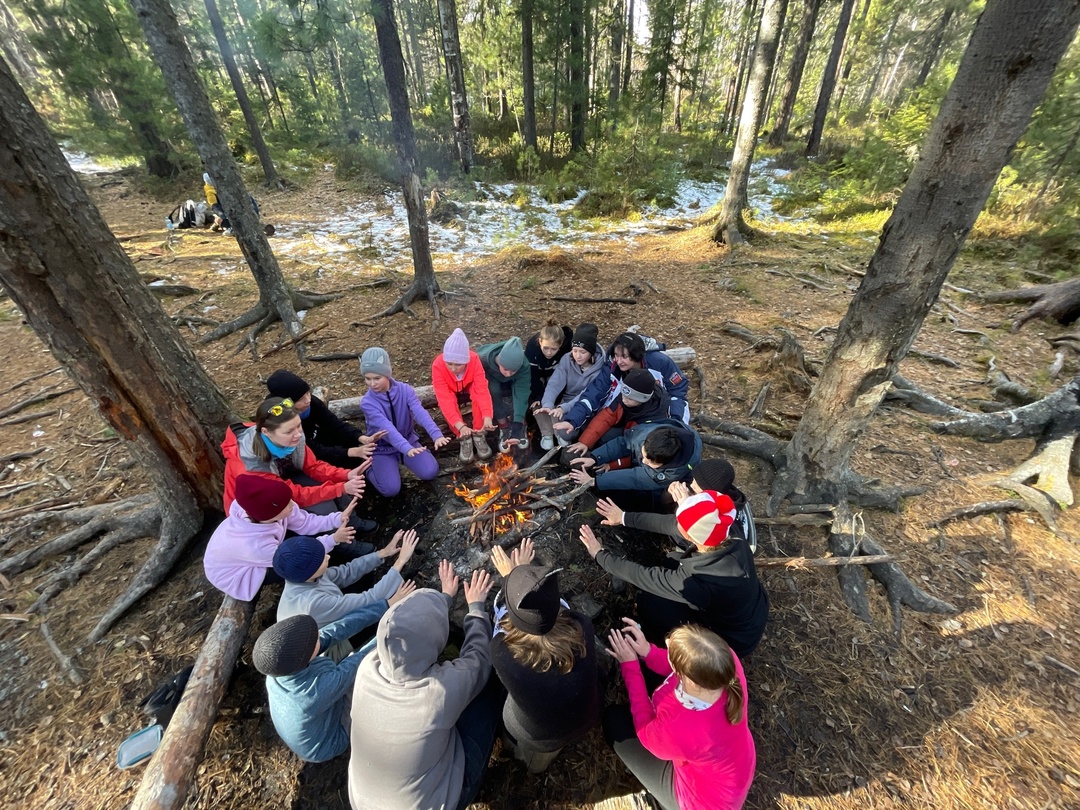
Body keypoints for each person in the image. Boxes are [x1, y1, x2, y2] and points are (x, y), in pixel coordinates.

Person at [348, 563, 499, 810]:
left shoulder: (367, 667)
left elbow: (407, 632)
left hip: (363, 801)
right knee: (488, 687)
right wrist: (475, 609)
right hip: (433, 802)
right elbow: (479, 660)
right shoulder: (437, 693)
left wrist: (445, 598)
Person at [579, 490, 768, 657]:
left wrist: (600, 555)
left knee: (650, 602)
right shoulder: (725, 528)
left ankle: (658, 640)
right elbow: (670, 524)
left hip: (732, 639)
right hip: (748, 609)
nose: (675, 525)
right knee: (672, 558)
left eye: (681, 527)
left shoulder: (700, 583)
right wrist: (623, 517)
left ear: (691, 537)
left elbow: (646, 577)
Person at [604, 621, 756, 809]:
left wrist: (630, 666)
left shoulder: (682, 727)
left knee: (614, 722)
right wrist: (647, 652)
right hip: (733, 768)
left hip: (700, 801)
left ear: (690, 681)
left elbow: (645, 731)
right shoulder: (725, 662)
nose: (666, 643)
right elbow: (688, 665)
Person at [489, 540, 602, 773]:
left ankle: (530, 765)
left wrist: (513, 580)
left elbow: (501, 620)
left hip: (537, 735)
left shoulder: (502, 653)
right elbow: (561, 608)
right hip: (589, 714)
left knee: (527, 749)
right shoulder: (582, 625)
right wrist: (526, 582)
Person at [253, 603, 392, 763]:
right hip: (330, 741)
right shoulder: (312, 694)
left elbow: (335, 630)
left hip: (316, 704)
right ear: (304, 656)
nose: (319, 634)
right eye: (315, 638)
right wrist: (391, 626)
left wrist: (385, 604)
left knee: (337, 647)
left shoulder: (280, 666)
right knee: (366, 673)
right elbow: (359, 660)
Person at [221, 396, 377, 533]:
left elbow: (313, 466)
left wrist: (344, 475)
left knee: (333, 486)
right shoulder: (250, 467)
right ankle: (340, 543)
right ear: (266, 432)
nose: (298, 435)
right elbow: (293, 494)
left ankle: (351, 521)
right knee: (324, 508)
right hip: (259, 511)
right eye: (289, 431)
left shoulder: (288, 437)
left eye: (299, 426)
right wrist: (340, 488)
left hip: (283, 481)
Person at [202, 474, 360, 601]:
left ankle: (338, 564)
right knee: (302, 565)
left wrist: (337, 519)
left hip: (266, 543)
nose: (293, 504)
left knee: (307, 546)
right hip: (241, 573)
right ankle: (326, 593)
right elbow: (296, 559)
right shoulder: (255, 546)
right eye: (287, 504)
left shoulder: (272, 509)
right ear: (270, 515)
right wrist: (333, 539)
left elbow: (305, 522)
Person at [554, 332, 690, 444]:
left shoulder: (659, 362)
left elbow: (677, 392)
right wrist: (572, 420)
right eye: (617, 356)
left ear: (636, 355)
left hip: (654, 414)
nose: (619, 361)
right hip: (622, 411)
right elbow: (594, 393)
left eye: (624, 357)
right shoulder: (612, 367)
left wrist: (675, 424)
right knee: (594, 438)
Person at [597, 459, 757, 553]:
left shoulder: (716, 518)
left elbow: (675, 526)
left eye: (696, 485)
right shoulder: (713, 494)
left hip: (699, 549)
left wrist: (684, 505)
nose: (691, 483)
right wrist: (670, 494)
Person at [359, 347, 450, 497]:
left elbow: (420, 413)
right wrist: (406, 449)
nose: (372, 383)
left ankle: (405, 458)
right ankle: (370, 469)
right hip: (383, 449)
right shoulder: (368, 403)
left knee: (430, 472)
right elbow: (387, 428)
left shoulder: (405, 390)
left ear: (387, 374)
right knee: (390, 490)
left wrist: (436, 435)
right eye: (368, 379)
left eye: (377, 378)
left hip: (409, 441)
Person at [569, 422, 702, 511]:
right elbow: (623, 443)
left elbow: (637, 477)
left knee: (653, 499)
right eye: (643, 455)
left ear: (664, 464)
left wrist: (595, 481)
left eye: (650, 462)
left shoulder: (675, 470)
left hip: (670, 482)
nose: (644, 462)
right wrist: (595, 458)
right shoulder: (644, 434)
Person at [266, 369, 380, 470]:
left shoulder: (311, 404)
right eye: (301, 399)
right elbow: (311, 450)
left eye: (307, 393)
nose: (308, 400)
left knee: (350, 440)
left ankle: (352, 472)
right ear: (288, 402)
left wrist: (360, 437)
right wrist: (351, 452)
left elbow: (333, 423)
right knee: (342, 455)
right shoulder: (280, 419)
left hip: (313, 436)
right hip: (298, 453)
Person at [566, 367, 671, 455]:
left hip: (639, 446)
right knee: (603, 436)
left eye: (629, 399)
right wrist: (585, 442)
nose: (624, 400)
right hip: (625, 428)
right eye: (623, 395)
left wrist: (611, 465)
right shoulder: (626, 395)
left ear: (643, 399)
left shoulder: (655, 416)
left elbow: (634, 445)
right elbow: (606, 417)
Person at [534, 323, 606, 450]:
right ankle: (548, 434)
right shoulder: (567, 359)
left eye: (582, 352)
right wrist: (548, 404)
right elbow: (555, 383)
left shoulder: (600, 370)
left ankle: (561, 434)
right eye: (575, 350)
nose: (577, 356)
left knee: (566, 433)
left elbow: (585, 395)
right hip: (565, 400)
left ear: (591, 352)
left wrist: (563, 408)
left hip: (583, 405)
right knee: (540, 405)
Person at [432, 328, 495, 464]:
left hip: (468, 383)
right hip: (449, 387)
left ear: (466, 361)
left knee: (478, 395)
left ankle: (479, 433)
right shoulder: (438, 364)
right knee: (448, 400)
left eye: (458, 365)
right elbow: (444, 400)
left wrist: (487, 417)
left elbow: (482, 389)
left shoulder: (474, 359)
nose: (453, 369)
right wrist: (461, 426)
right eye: (450, 364)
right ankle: (463, 437)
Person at [476, 336, 530, 453]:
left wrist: (516, 428)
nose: (509, 374)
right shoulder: (483, 359)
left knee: (518, 392)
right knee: (494, 391)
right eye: (505, 369)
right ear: (499, 360)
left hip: (512, 378)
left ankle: (520, 425)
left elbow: (522, 392)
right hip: (490, 374)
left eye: (513, 371)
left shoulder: (524, 365)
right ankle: (503, 425)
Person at [524, 320, 572, 416]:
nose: (549, 352)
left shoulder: (566, 350)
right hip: (539, 371)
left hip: (555, 371)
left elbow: (561, 377)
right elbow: (533, 375)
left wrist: (554, 400)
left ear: (561, 344)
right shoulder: (532, 348)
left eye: (554, 349)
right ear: (540, 341)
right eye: (546, 348)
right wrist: (538, 397)